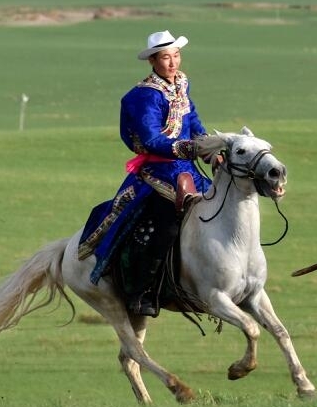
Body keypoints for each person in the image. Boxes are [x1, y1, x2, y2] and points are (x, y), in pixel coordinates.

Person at [77, 30, 227, 319]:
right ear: (153, 62)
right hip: (159, 171)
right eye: (166, 58)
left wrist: (209, 148)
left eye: (176, 56)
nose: (173, 63)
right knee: (165, 224)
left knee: (217, 207)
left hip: (186, 169)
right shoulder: (144, 96)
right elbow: (149, 139)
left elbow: (192, 119)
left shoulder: (181, 83)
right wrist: (190, 149)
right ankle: (143, 290)